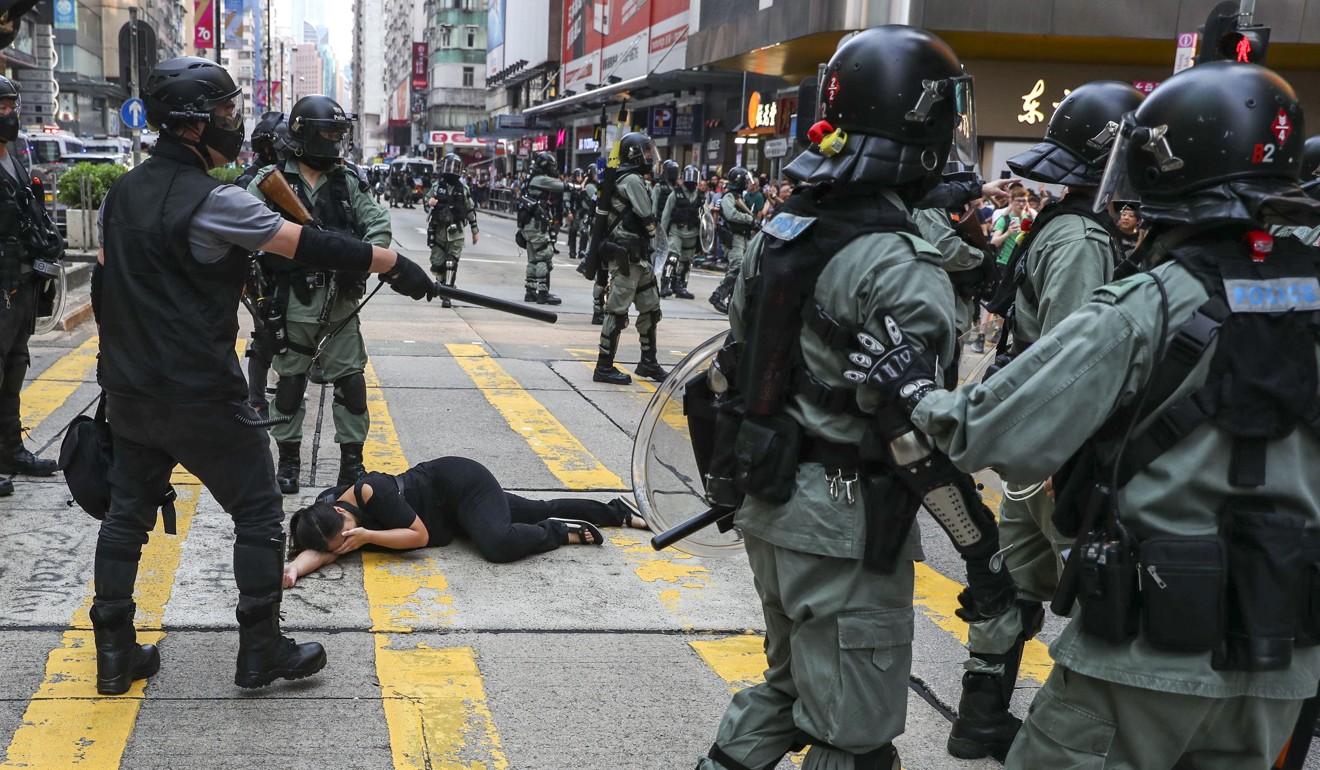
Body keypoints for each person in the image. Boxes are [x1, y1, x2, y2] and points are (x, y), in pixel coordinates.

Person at [841, 60, 1320, 770]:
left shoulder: (1149, 304)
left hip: (1144, 651)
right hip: (1282, 656)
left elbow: (984, 430)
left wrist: (915, 389)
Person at [694, 26, 1014, 770]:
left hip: (768, 501)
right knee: (854, 733)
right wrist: (981, 550)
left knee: (788, 686)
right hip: (844, 523)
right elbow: (918, 437)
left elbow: (730, 366)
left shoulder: (781, 227)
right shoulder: (904, 265)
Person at [91, 57, 436, 696]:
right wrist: (392, 262)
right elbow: (311, 246)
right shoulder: (216, 201)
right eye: (224, 113)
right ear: (193, 127)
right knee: (257, 512)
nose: (234, 122)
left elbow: (109, 280)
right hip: (199, 393)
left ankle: (114, 653)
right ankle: (261, 650)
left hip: (129, 391)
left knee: (125, 518)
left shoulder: (120, 195)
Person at [937, 79, 1147, 761]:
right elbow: (1076, 364)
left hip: (1031, 450)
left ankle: (981, 715)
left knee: (1017, 587)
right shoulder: (1086, 239)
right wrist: (1068, 460)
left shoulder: (1062, 226)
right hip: (1059, 454)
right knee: (1096, 595)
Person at [248, 94, 391, 495]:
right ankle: (289, 461)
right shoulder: (269, 182)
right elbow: (249, 232)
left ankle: (352, 466)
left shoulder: (347, 181)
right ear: (303, 134)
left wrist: (361, 258)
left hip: (341, 304)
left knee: (351, 386)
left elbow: (377, 223)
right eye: (327, 132)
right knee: (290, 385)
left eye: (337, 132)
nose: (333, 140)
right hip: (291, 303)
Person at [284, 456, 650, 583]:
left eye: (348, 534)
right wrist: (295, 571)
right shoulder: (326, 514)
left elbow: (418, 536)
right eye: (344, 543)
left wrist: (365, 537)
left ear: (341, 512)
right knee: (537, 507)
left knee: (499, 543)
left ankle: (556, 533)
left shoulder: (370, 491)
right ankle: (616, 511)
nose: (348, 543)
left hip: (461, 485)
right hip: (454, 517)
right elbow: (326, 549)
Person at [0, 75, 62, 488]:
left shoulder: (12, 157)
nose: (9, 113)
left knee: (15, 367)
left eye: (11, 104)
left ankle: (9, 450)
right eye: (1, 107)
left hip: (21, 283)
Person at [592, 132, 667, 386]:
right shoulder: (632, 179)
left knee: (651, 309)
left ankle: (648, 362)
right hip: (627, 257)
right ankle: (603, 366)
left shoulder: (632, 178)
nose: (650, 156)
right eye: (646, 152)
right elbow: (647, 218)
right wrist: (653, 232)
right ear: (634, 154)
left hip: (639, 257)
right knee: (617, 311)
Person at [234, 111, 290, 421]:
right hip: (260, 270)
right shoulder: (249, 180)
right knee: (266, 332)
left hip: (288, 266)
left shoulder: (289, 175)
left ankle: (283, 385)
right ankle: (256, 400)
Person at [425, 153, 479, 309]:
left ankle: (447, 294)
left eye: (455, 167)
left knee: (451, 262)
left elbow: (470, 209)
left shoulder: (464, 189)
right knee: (436, 264)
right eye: (450, 166)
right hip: (439, 230)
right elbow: (425, 201)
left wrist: (475, 230)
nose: (452, 169)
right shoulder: (436, 187)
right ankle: (443, 284)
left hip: (456, 232)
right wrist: (430, 202)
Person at [708, 167, 756, 314]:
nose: (747, 183)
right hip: (734, 237)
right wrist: (749, 219)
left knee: (742, 269)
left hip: (742, 237)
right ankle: (718, 295)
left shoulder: (739, 197)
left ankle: (732, 300)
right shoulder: (729, 197)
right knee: (736, 267)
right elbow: (730, 214)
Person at [519, 151, 565, 305]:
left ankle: (530, 292)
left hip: (528, 224)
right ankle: (543, 293)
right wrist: (580, 186)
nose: (554, 169)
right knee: (544, 257)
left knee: (532, 259)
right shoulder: (540, 179)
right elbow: (562, 186)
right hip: (536, 224)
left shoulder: (530, 178)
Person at [659, 164, 704, 300]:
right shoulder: (675, 193)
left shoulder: (701, 197)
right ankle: (665, 285)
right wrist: (662, 234)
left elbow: (705, 218)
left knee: (686, 262)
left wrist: (704, 239)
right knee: (673, 257)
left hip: (693, 233)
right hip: (676, 231)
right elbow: (666, 214)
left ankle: (681, 286)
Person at [651, 159, 679, 274]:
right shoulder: (659, 187)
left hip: (673, 225)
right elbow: (654, 204)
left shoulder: (678, 189)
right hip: (659, 224)